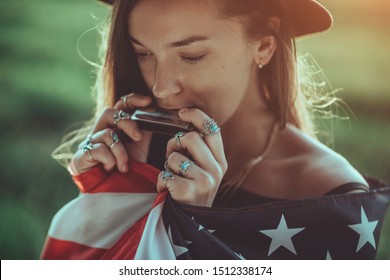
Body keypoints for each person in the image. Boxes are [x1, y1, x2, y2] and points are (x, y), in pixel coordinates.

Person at [41, 0, 390, 260]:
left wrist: (193, 230)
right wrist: (108, 201)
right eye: (143, 53)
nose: (161, 88)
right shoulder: (138, 142)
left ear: (264, 46)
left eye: (191, 55)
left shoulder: (333, 202)